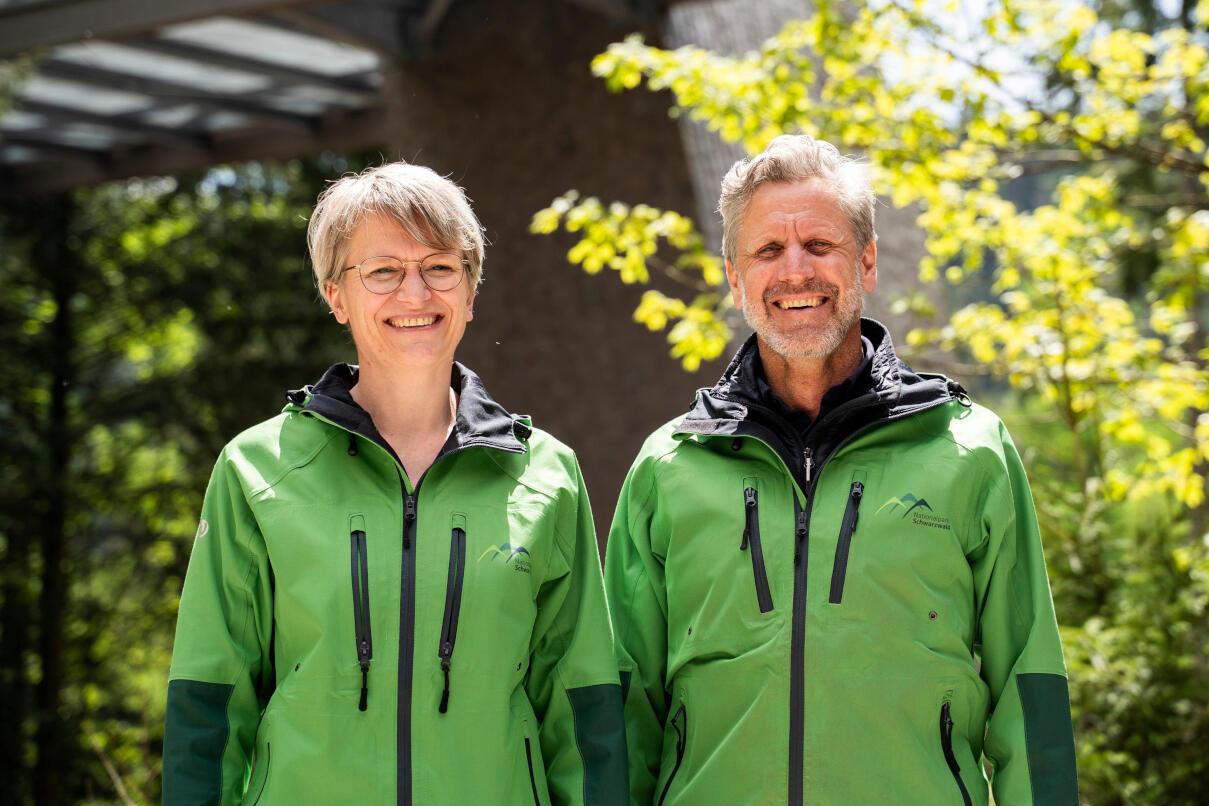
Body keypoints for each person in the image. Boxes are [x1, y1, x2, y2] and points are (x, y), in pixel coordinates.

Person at [605, 135, 1079, 806]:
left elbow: (1027, 687)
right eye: (768, 250)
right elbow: (625, 707)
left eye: (819, 246)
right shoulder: (668, 466)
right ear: (735, 277)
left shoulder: (968, 448)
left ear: (866, 261)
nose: (794, 270)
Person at [163, 162, 627, 805]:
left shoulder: (545, 474)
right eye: (383, 272)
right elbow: (210, 701)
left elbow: (582, 707)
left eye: (439, 267)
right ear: (336, 295)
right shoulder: (255, 468)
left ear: (470, 292)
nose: (415, 294)